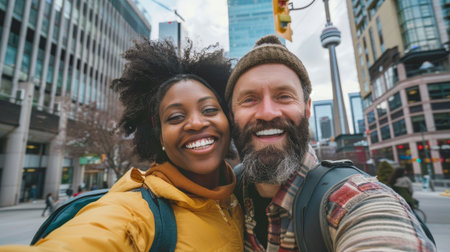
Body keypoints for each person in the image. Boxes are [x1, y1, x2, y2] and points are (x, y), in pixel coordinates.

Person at [0, 39, 243, 251]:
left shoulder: (241, 195)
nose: (196, 123)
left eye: (210, 110)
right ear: (158, 136)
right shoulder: (134, 213)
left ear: (228, 119)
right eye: (175, 117)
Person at [225, 35, 436, 251]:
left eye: (284, 96)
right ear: (231, 114)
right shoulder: (223, 194)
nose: (268, 113)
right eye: (249, 99)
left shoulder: (353, 199)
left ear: (307, 108)